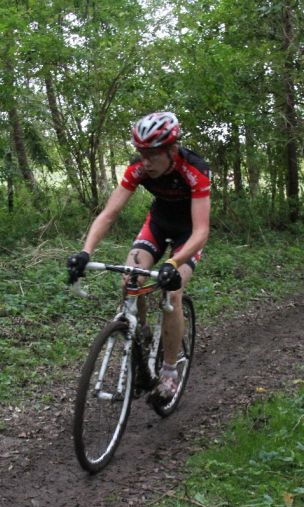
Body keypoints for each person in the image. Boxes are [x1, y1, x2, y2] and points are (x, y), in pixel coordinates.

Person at [67, 112, 211, 399]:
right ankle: (141, 332)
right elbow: (109, 213)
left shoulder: (194, 169)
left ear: (172, 150)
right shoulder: (139, 168)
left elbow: (201, 231)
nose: (146, 161)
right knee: (129, 279)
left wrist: (173, 263)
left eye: (152, 154)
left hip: (188, 234)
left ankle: (169, 371)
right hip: (157, 225)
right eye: (141, 153)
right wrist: (85, 252)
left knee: (173, 294)